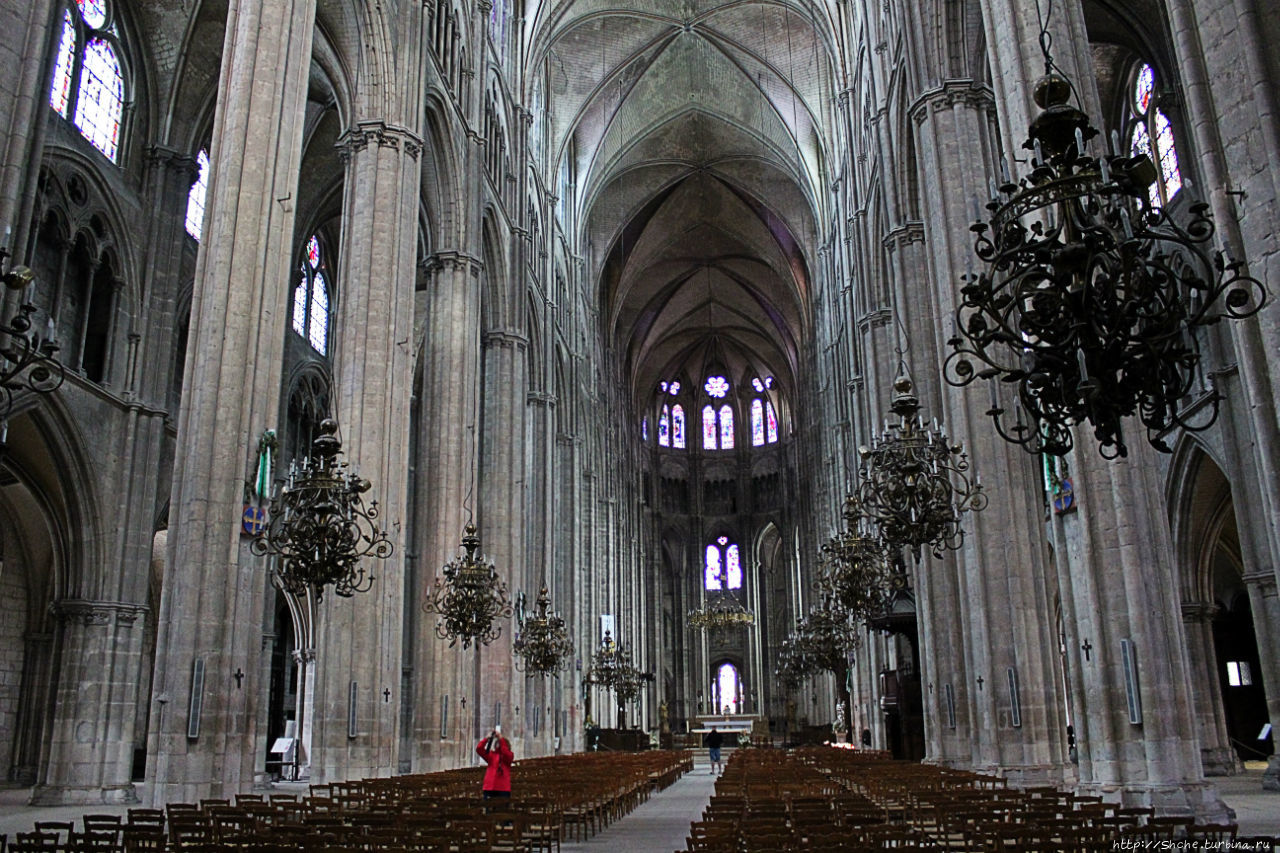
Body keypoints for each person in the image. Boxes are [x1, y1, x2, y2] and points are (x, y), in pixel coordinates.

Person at [476, 724, 514, 799]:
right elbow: (479, 749)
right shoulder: (491, 755)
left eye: (500, 743)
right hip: (490, 787)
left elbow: (506, 753)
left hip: (503, 787)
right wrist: (486, 739)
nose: (498, 744)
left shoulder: (509, 755)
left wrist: (501, 738)